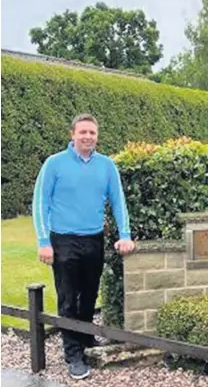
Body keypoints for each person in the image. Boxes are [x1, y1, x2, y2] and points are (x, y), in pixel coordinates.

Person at [32, 113, 135, 380]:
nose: (88, 136)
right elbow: (40, 203)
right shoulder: (54, 164)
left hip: (94, 239)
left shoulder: (107, 165)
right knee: (68, 297)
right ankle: (73, 354)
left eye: (92, 132)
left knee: (89, 294)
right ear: (72, 134)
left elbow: (119, 201)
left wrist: (125, 233)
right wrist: (44, 241)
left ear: (97, 135)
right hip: (63, 240)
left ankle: (86, 338)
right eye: (83, 132)